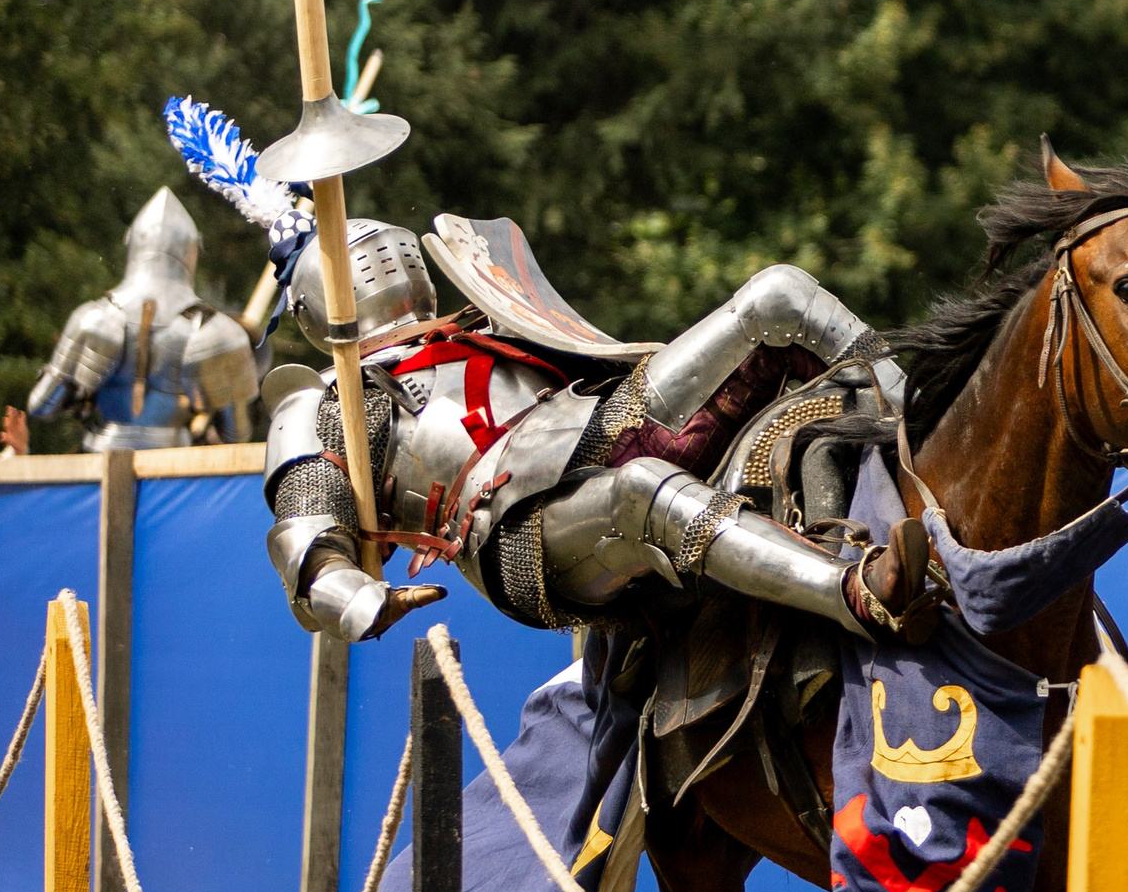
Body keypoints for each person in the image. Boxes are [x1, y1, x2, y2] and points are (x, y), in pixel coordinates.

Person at [257, 218, 928, 645]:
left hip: (592, 420)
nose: (388, 264)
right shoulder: (328, 402)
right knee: (641, 490)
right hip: (511, 526)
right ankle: (859, 591)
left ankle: (925, 432)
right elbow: (309, 549)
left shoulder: (482, 318)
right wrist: (362, 598)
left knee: (777, 295)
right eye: (366, 260)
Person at [26, 190, 259, 450]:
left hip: (101, 454)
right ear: (192, 251)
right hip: (174, 466)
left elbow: (41, 407)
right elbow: (236, 435)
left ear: (132, 242)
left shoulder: (93, 318)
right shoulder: (216, 331)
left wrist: (78, 394)